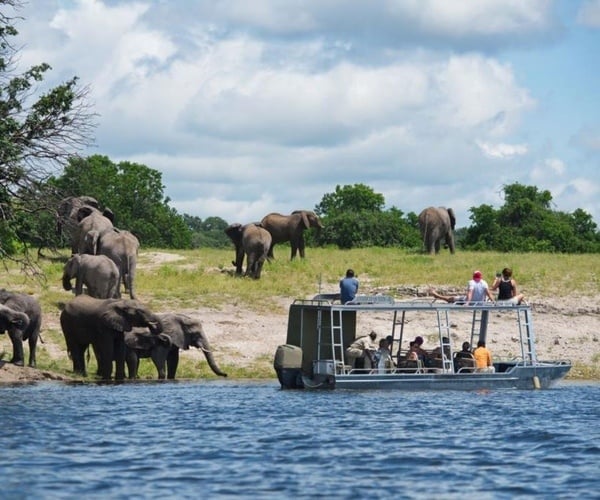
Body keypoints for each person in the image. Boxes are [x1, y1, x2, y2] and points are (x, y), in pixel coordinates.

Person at [429, 270, 495, 305]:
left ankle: (437, 295)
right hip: (480, 302)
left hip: (471, 302)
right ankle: (437, 296)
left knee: (451, 299)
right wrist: (494, 302)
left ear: (473, 276)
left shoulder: (471, 282)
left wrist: (467, 303)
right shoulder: (484, 282)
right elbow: (489, 293)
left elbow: (470, 293)